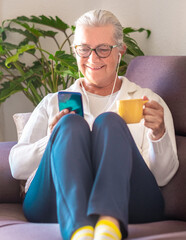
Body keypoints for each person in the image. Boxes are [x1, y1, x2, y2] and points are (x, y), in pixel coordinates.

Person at [9, 9, 179, 240]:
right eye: (84, 49)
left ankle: (108, 223)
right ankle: (80, 229)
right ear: (75, 51)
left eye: (103, 49)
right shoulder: (53, 102)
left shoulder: (148, 101)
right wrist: (53, 139)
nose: (92, 58)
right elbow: (17, 167)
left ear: (120, 51)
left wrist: (158, 135)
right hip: (53, 203)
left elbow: (163, 177)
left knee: (110, 121)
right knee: (69, 124)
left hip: (131, 203)